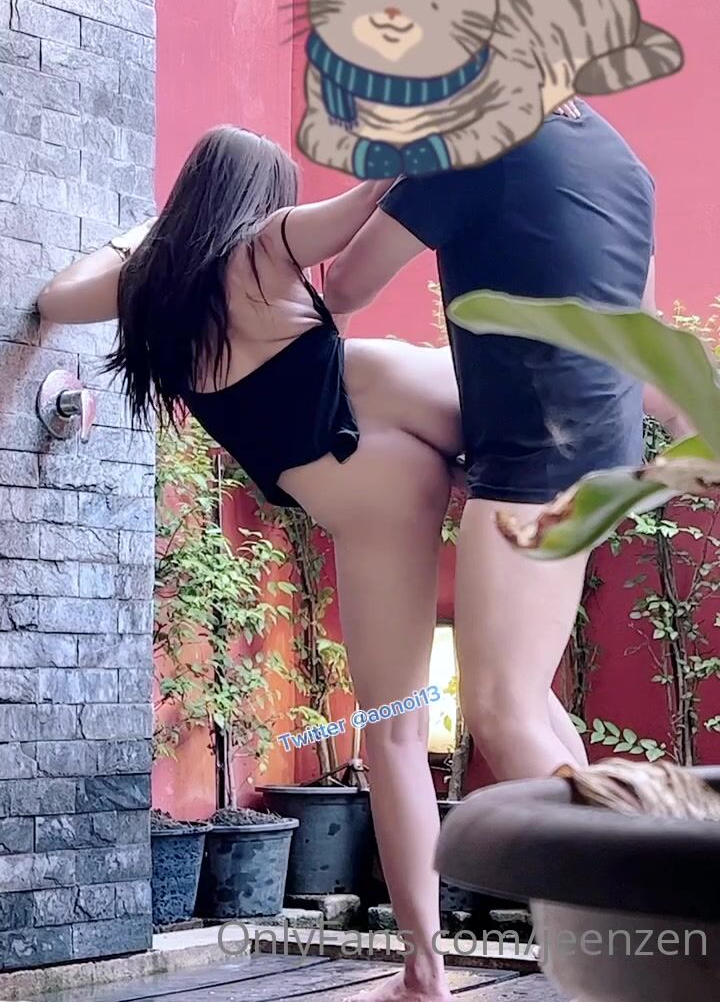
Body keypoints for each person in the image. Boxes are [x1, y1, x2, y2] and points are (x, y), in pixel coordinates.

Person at [37, 125, 462, 1002]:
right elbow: (362, 203)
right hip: (384, 406)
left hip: (360, 509)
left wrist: (146, 234)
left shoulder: (150, 287)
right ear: (257, 201)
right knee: (562, 407)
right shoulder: (262, 247)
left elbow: (55, 298)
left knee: (393, 733)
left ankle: (425, 969)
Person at [324, 98, 685, 792]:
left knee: (502, 708)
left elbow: (346, 281)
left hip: (536, 456)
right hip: (598, 451)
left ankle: (605, 864)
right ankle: (588, 860)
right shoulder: (618, 157)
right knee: (529, 699)